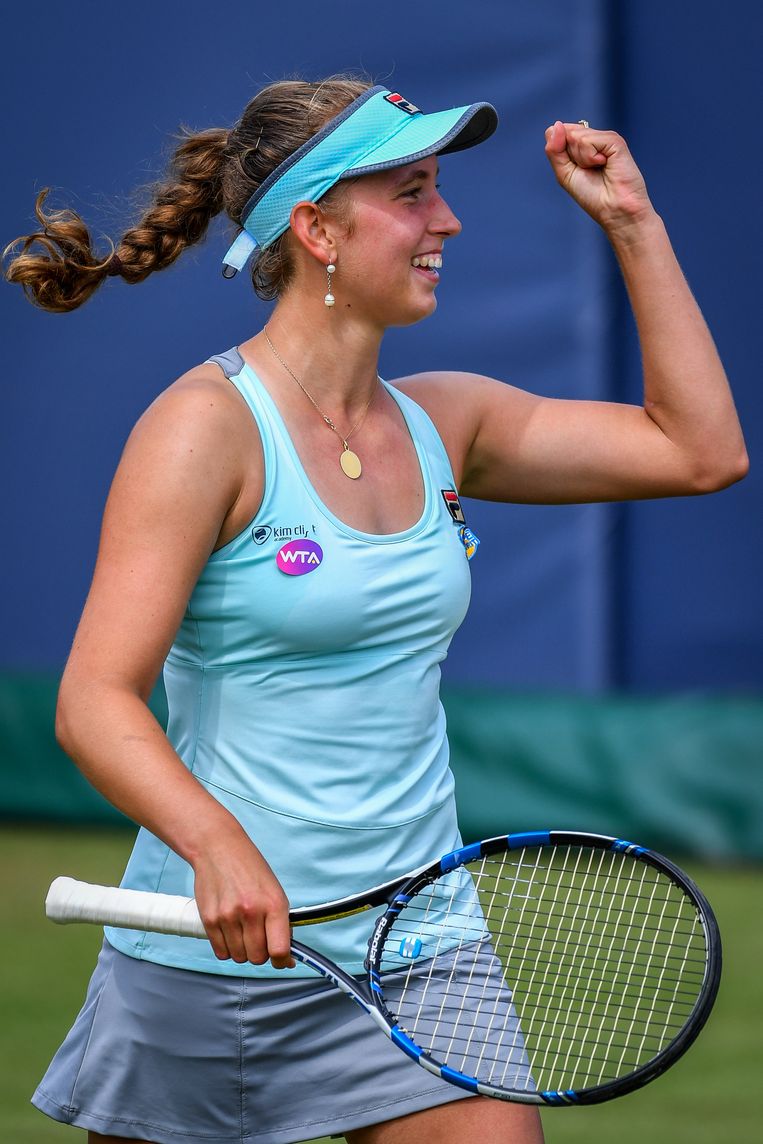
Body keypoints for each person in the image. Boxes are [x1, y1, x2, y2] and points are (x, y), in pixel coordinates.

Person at [3, 75, 746, 1144]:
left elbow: (701, 451)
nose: (445, 219)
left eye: (436, 188)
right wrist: (218, 845)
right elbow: (92, 701)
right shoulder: (201, 430)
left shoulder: (450, 420)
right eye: (409, 192)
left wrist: (635, 223)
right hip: (214, 956)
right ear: (317, 230)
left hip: (424, 943)